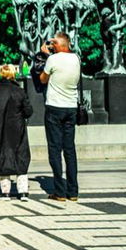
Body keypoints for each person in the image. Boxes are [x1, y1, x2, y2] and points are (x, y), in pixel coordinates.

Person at [38, 32, 81, 202]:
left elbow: (42, 79)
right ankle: (73, 191)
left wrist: (46, 55)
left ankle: (59, 191)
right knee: (69, 150)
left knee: (55, 150)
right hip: (71, 108)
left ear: (60, 44)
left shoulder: (53, 59)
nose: (52, 45)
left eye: (54, 43)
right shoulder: (76, 58)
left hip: (55, 107)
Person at [0, 64, 33, 201]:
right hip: (19, 130)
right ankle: (23, 192)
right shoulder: (20, 91)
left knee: (4, 157)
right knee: (21, 157)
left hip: (1, 130)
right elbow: (28, 111)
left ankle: (5, 192)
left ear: (1, 74)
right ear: (13, 74)